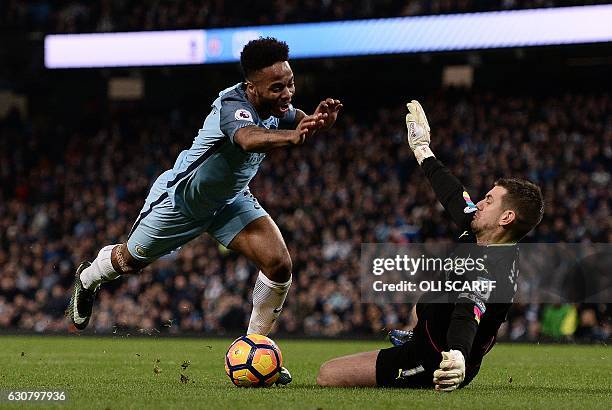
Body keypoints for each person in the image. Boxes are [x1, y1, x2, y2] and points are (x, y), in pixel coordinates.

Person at [66, 37, 342, 384]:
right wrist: (292, 138)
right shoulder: (231, 104)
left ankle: (256, 346)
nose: (287, 93)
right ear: (251, 88)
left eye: (290, 83)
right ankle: (88, 278)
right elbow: (246, 138)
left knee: (279, 264)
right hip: (181, 202)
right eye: (277, 88)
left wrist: (317, 122)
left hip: (230, 201)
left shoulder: (276, 106)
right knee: (129, 261)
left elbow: (295, 117)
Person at [316, 100, 543, 391]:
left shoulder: (489, 269)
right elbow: (454, 197)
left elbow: (468, 312)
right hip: (435, 342)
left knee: (328, 374)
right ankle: (421, 337)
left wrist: (458, 356)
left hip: (438, 361)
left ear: (506, 217)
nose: (479, 203)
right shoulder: (483, 235)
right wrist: (423, 150)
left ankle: (426, 360)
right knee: (426, 298)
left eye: (488, 200)